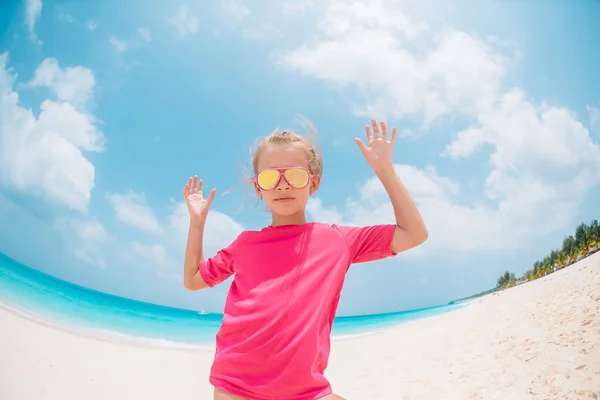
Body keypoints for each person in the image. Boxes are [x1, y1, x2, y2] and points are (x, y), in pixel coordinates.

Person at [182, 119, 428, 400]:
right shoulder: (245, 244)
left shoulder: (337, 241)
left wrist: (386, 173)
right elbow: (193, 280)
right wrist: (197, 223)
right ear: (258, 188)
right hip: (235, 386)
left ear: (314, 182)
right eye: (269, 177)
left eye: (295, 176)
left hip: (305, 391)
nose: (283, 185)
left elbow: (413, 233)